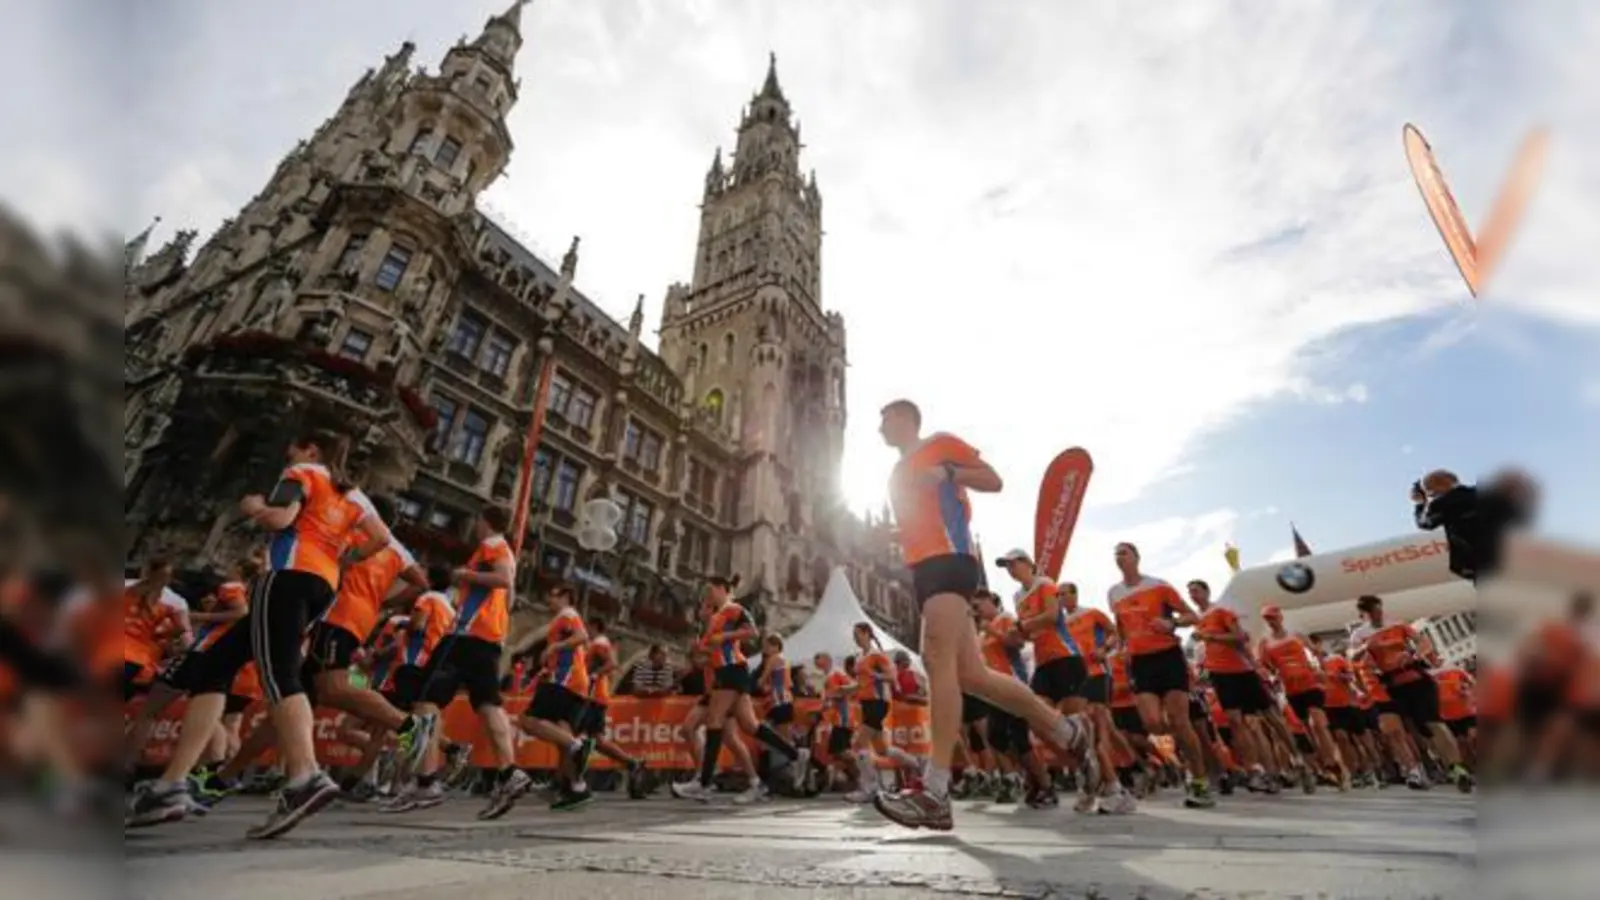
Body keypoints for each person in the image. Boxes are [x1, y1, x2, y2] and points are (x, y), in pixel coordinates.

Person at [127, 431, 395, 838]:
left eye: (295, 444)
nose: (288, 450)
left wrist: (254, 506)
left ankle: (304, 776)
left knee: (280, 675)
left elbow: (280, 518)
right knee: (213, 669)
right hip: (323, 584)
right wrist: (342, 555)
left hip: (286, 577)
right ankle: (171, 784)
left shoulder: (302, 472)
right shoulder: (350, 493)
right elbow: (380, 538)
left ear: (312, 449)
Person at [870, 400, 1095, 831]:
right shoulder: (896, 474)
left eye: (885, 418)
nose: (879, 427)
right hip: (923, 570)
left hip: (950, 562)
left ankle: (935, 791)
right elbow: (922, 519)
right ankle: (1066, 732)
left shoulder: (939, 445)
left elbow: (993, 481)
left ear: (904, 419)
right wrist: (893, 535)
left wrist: (949, 473)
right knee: (973, 676)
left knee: (936, 660)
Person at [671, 575, 806, 803]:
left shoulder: (732, 609)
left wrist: (725, 636)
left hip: (732, 670)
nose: (708, 595)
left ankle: (704, 783)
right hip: (726, 674)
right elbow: (709, 656)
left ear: (723, 589)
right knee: (750, 725)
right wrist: (702, 651)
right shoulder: (714, 621)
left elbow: (752, 631)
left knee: (715, 723)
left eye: (711, 590)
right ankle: (795, 755)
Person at [1107, 542, 1213, 808]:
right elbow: (1121, 627)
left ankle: (1199, 780)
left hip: (1168, 657)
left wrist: (1172, 623)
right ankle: (1178, 759)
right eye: (1116, 553)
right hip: (1140, 662)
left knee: (1179, 720)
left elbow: (1192, 616)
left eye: (1124, 552)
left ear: (1136, 557)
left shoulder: (1159, 585)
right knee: (1152, 722)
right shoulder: (1114, 593)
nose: (1119, 556)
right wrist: (1122, 648)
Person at [1349, 594, 1474, 792]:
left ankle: (1457, 768)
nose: (1377, 615)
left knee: (1433, 724)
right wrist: (1366, 646)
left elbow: (1423, 642)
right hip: (1385, 686)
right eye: (1372, 613)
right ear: (1363, 615)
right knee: (1393, 731)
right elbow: (1353, 656)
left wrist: (1415, 654)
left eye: (1379, 610)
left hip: (1413, 679)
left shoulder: (1397, 624)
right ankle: (1414, 771)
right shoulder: (1359, 634)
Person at [1257, 605, 1348, 790]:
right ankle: (1326, 764)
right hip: (1291, 690)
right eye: (1267, 618)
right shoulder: (1265, 643)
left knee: (1318, 724)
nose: (1271, 621)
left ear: (1281, 617)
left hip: (1311, 684)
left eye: (1274, 617)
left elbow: (1316, 653)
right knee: (1307, 729)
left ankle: (1332, 762)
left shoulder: (1296, 634)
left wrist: (1322, 670)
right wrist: (1272, 678)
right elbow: (1266, 667)